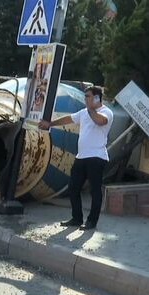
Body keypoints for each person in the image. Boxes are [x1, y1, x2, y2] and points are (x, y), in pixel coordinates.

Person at [38, 86, 113, 230]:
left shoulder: (106, 112)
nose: (85, 99)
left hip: (97, 157)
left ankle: (92, 221)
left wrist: (91, 108)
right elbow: (69, 119)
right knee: (73, 187)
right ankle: (77, 218)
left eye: (88, 96)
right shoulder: (84, 112)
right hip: (81, 157)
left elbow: (100, 121)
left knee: (95, 191)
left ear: (97, 98)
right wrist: (51, 124)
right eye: (85, 96)